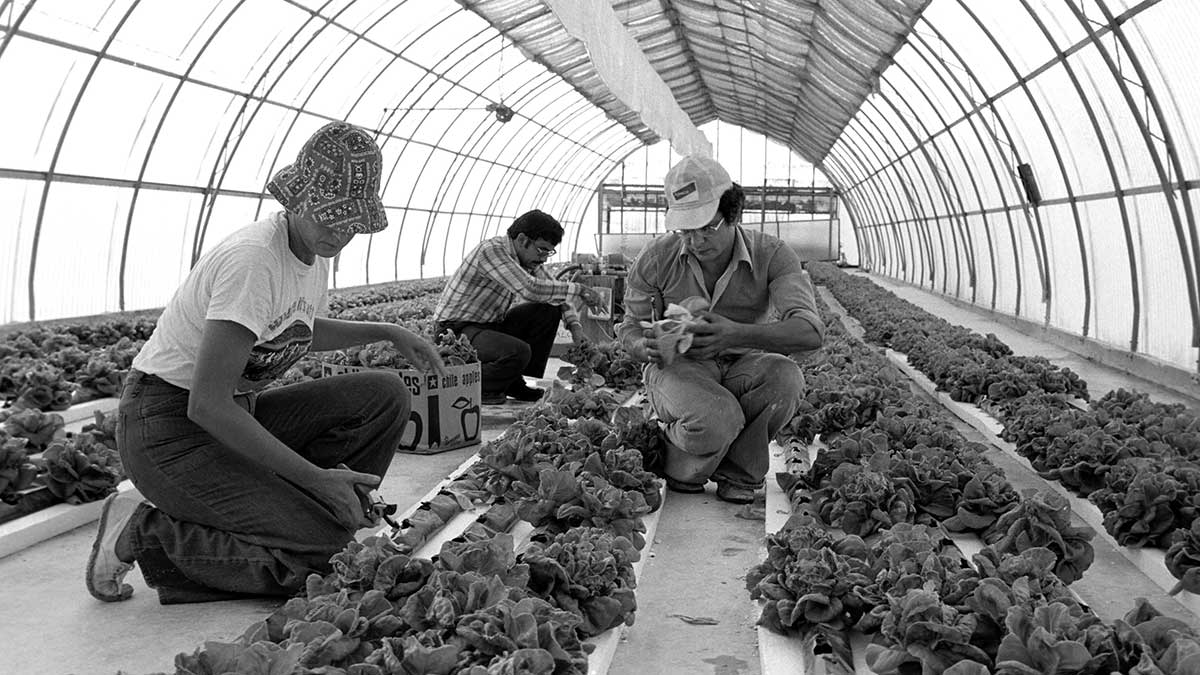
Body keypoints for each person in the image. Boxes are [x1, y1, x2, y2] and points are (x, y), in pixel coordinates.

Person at [85, 121, 446, 604]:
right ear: (296, 200)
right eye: (328, 216)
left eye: (351, 222)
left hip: (233, 414)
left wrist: (388, 331)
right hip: (168, 429)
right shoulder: (255, 259)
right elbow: (207, 406)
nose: (340, 233)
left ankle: (325, 505)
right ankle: (147, 531)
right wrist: (314, 478)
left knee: (383, 394)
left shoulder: (312, 253)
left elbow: (297, 328)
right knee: (326, 550)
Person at [616, 155, 824, 504]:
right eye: (686, 231)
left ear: (733, 214)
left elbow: (809, 333)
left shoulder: (772, 254)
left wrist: (736, 334)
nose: (695, 241)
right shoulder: (656, 257)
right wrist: (642, 346)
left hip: (744, 366)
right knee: (717, 418)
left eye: (706, 228)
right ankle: (680, 457)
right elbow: (629, 327)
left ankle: (739, 471)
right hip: (681, 369)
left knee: (785, 378)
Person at [433, 210, 606, 404]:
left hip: (487, 327)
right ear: (523, 239)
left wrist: (575, 328)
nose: (544, 258)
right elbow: (529, 288)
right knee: (517, 351)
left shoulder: (527, 259)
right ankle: (465, 382)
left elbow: (555, 295)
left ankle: (512, 381)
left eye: (549, 252)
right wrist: (580, 289)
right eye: (542, 250)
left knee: (547, 310)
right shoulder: (491, 251)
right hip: (454, 331)